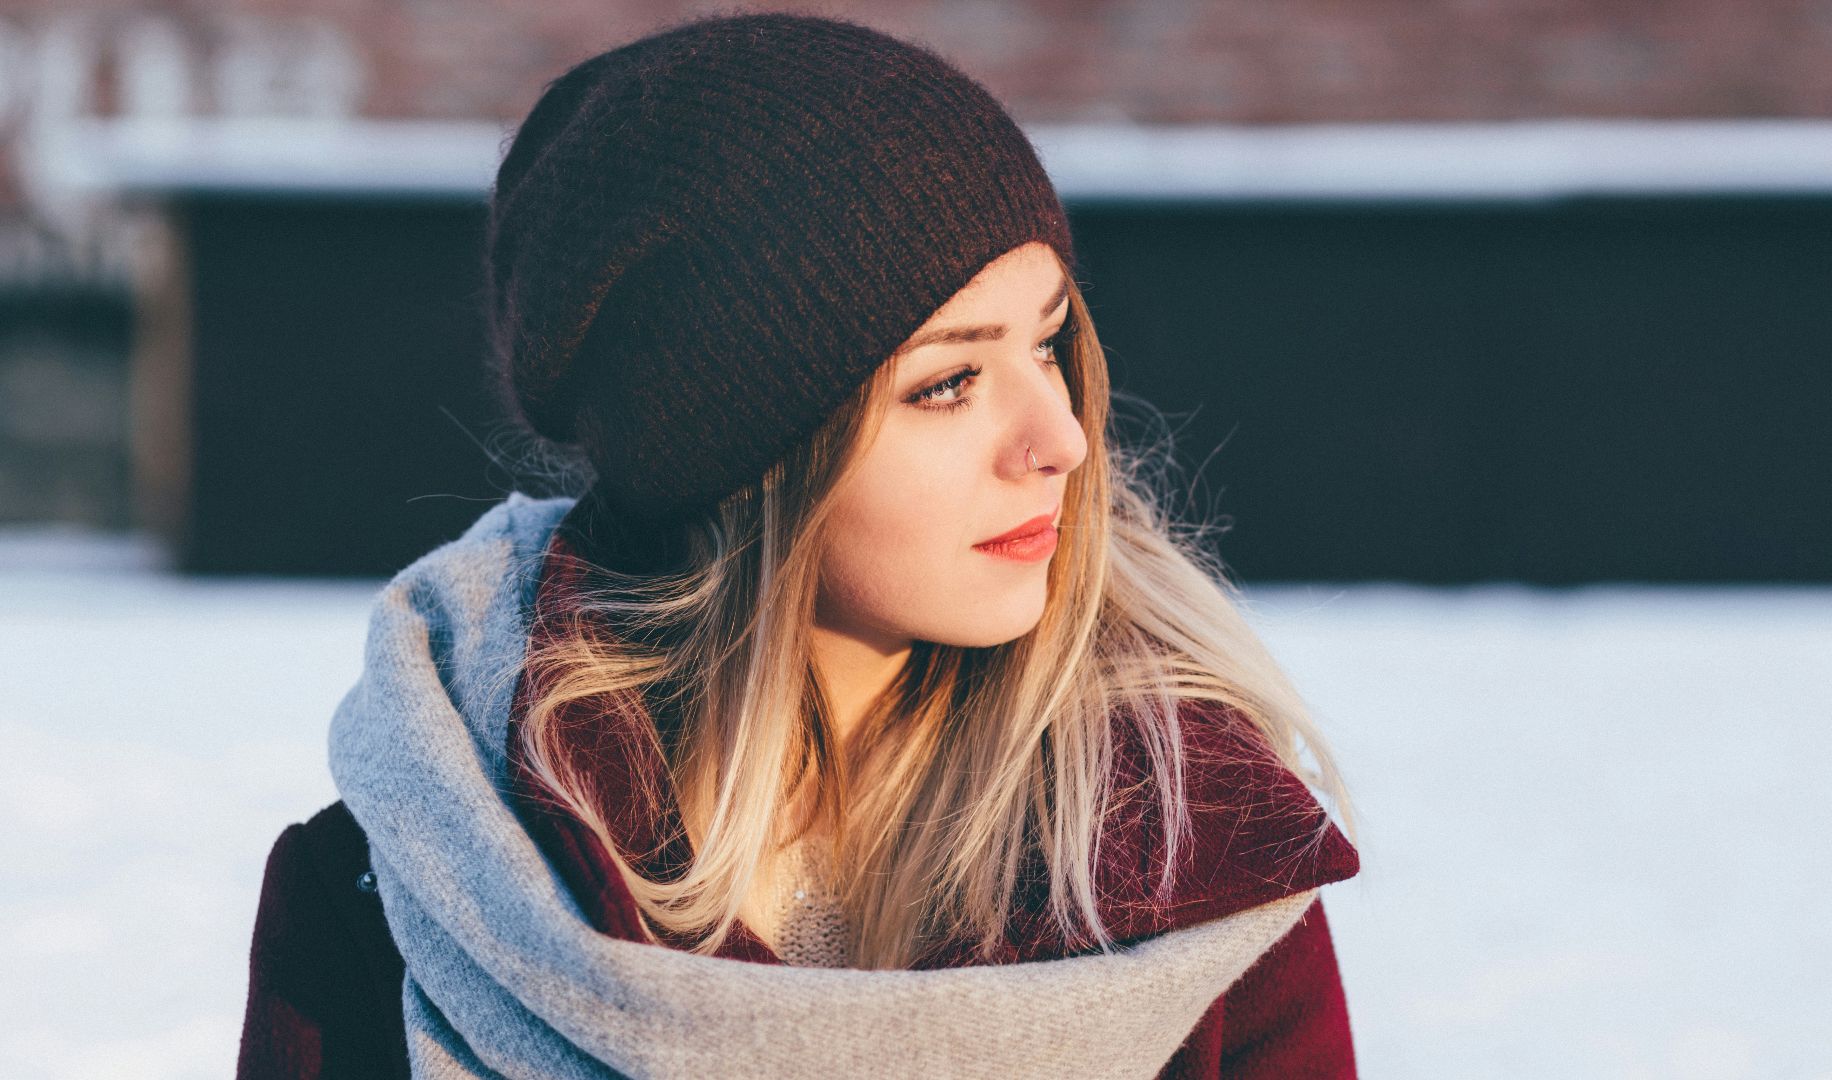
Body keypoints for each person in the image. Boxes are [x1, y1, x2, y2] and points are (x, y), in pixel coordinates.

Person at [236, 11, 1362, 1079]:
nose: (1060, 438)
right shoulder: (403, 899)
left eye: (1050, 341)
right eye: (950, 382)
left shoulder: (1190, 875)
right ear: (745, 460)